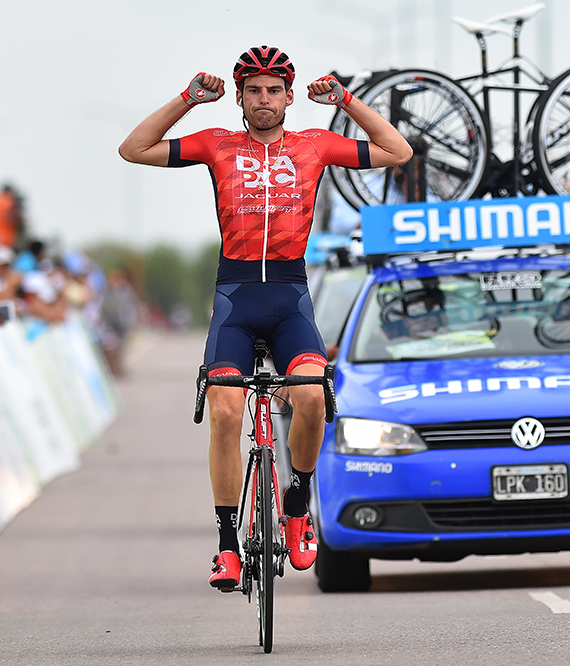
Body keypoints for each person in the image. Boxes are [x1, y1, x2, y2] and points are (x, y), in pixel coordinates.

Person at [119, 45, 412, 591]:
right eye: (253, 90)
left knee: (310, 397)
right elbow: (132, 149)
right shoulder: (216, 143)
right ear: (239, 95)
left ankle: (297, 503)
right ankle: (228, 545)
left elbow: (397, 151)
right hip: (235, 298)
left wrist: (347, 101)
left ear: (288, 96)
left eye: (273, 90)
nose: (264, 99)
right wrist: (187, 99)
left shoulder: (316, 146)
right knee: (227, 414)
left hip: (289, 297)